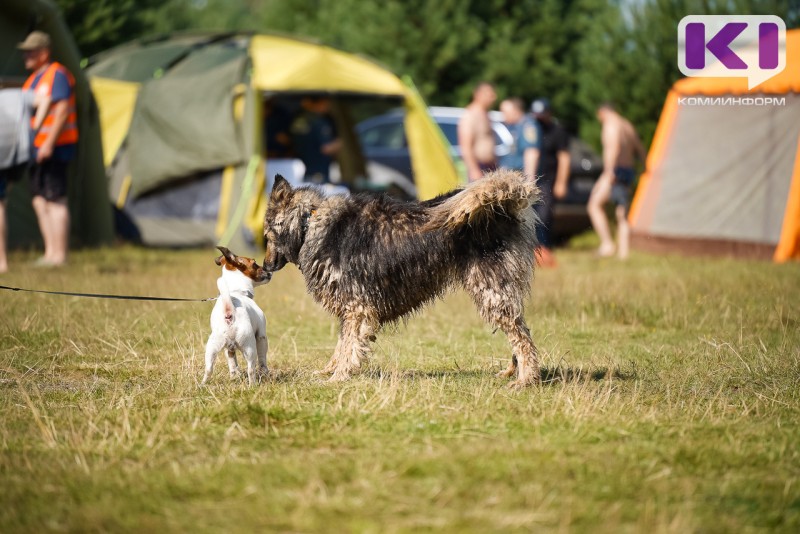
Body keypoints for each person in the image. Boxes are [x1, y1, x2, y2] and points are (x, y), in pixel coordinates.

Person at [19, 31, 78, 267]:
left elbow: (62, 110)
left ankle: (60, 255)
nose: (26, 55)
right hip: (35, 149)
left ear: (44, 52)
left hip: (55, 147)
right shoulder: (32, 79)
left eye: (30, 50)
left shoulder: (58, 74)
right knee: (39, 199)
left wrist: (49, 143)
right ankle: (50, 253)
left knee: (55, 198)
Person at [588, 102, 646, 259]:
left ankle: (607, 244)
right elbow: (640, 149)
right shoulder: (627, 125)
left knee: (594, 205)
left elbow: (614, 148)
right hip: (628, 171)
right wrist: (644, 167)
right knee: (622, 213)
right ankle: (624, 253)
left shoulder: (611, 125)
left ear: (602, 113)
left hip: (615, 171)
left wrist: (608, 173)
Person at [530, 98, 570, 267]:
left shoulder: (557, 131)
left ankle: (545, 249)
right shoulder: (531, 129)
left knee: (544, 216)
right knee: (530, 217)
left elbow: (564, 158)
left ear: (549, 113)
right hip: (530, 179)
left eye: (542, 115)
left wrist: (561, 182)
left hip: (548, 180)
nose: (539, 118)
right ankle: (531, 250)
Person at [290, 97, 341, 184]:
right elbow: (326, 148)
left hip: (297, 170)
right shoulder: (319, 122)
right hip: (318, 172)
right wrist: (339, 143)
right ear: (319, 103)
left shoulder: (296, 120)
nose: (327, 106)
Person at [458, 82, 497, 182]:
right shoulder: (470, 115)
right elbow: (465, 147)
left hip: (490, 168)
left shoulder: (486, 114)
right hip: (478, 168)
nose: (494, 98)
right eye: (490, 95)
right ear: (478, 94)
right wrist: (474, 170)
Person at [499, 97, 540, 179]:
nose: (503, 115)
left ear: (515, 111)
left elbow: (531, 153)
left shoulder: (528, 126)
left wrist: (529, 181)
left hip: (521, 176)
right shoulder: (512, 126)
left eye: (505, 112)